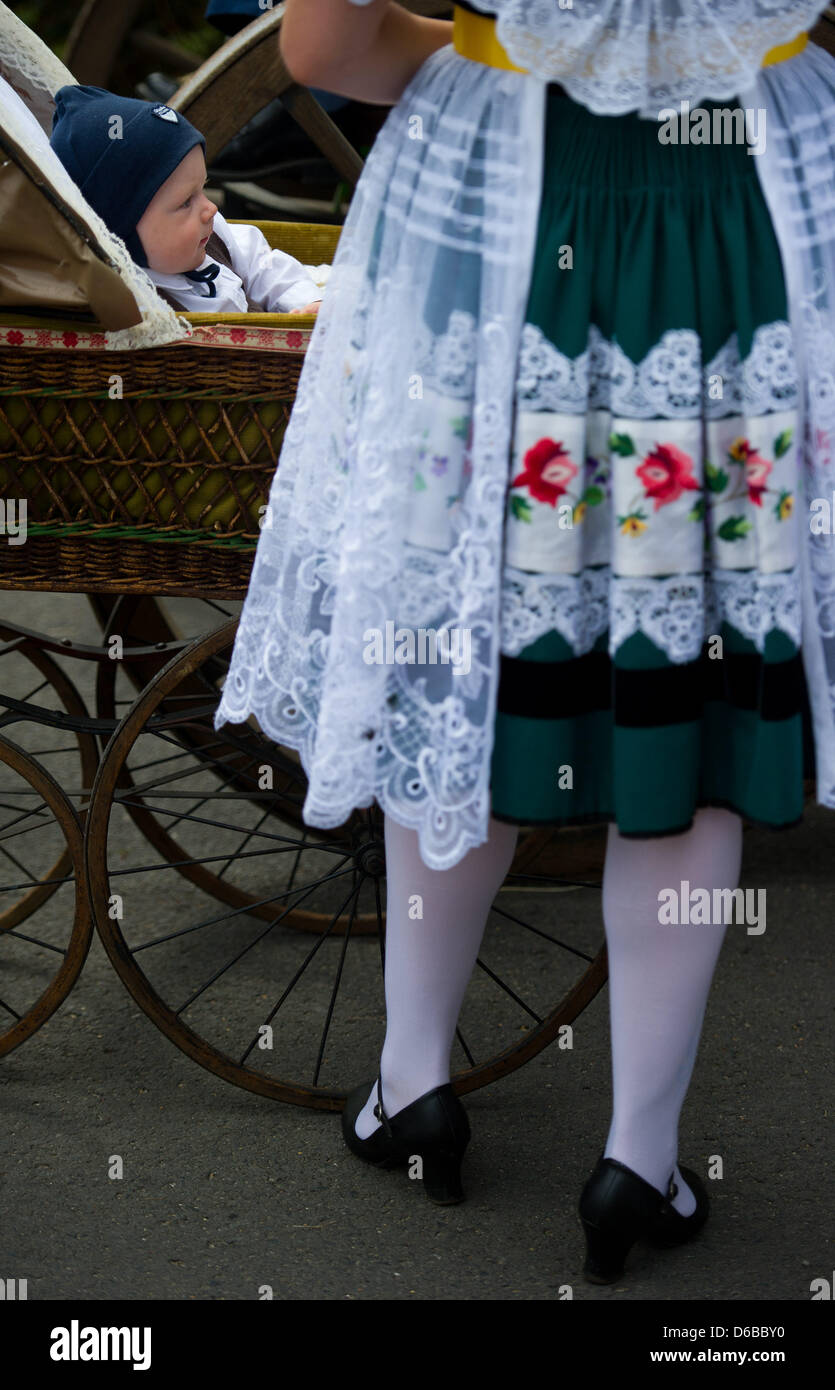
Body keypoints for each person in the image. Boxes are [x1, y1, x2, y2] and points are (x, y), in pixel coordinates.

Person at [213, 0, 835, 1283]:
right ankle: (637, 1159)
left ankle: (413, 1082)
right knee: (691, 703)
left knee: (474, 660)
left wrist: (518, 49)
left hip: (508, 198)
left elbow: (326, 49)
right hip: (742, 203)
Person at [48, 86, 324, 317]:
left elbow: (263, 266)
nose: (210, 209)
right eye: (185, 203)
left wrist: (303, 301)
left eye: (203, 189)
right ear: (119, 228)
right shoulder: (135, 304)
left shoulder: (213, 235)